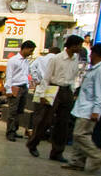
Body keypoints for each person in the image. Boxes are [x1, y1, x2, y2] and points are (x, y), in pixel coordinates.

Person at [28, 34, 83, 162]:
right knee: (45, 120)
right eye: (78, 46)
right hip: (53, 89)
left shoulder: (75, 59)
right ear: (72, 46)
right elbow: (46, 77)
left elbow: (74, 76)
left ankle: (57, 151)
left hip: (66, 90)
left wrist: (73, 91)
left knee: (63, 123)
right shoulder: (56, 59)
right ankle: (33, 143)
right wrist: (42, 94)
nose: (80, 48)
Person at [67, 42, 101, 173]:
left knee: (80, 135)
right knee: (80, 136)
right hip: (83, 107)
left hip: (89, 109)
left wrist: (97, 111)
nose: (90, 56)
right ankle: (77, 162)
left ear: (95, 54)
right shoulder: (95, 69)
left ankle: (98, 156)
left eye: (91, 53)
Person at [3, 40, 37, 141]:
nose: (31, 53)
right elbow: (9, 76)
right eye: (30, 51)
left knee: (19, 111)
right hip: (15, 87)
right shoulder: (13, 60)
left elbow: (26, 74)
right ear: (25, 49)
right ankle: (10, 132)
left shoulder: (26, 61)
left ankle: (15, 129)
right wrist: (8, 89)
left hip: (23, 87)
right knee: (12, 111)